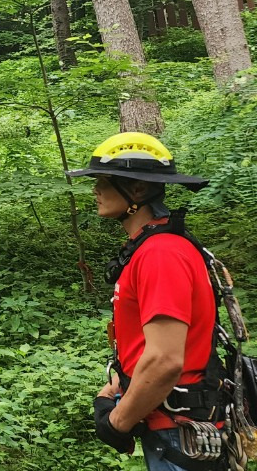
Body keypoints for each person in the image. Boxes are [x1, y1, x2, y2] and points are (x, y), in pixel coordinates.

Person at [67, 133, 226, 471]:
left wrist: (117, 423)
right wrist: (119, 385)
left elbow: (165, 360)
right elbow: (151, 346)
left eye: (103, 181)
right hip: (171, 430)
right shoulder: (149, 247)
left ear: (138, 190)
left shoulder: (160, 254)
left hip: (179, 436)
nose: (95, 190)